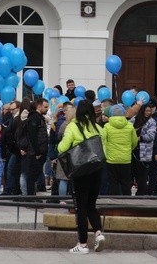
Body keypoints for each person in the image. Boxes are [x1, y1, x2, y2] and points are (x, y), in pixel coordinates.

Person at [57, 100, 106, 254]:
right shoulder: (98, 128)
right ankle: (98, 233)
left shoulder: (73, 126)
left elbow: (62, 147)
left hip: (81, 171)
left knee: (81, 207)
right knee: (91, 204)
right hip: (97, 170)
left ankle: (83, 244)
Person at [101, 104, 137, 196]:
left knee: (113, 183)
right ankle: (127, 203)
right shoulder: (130, 126)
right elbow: (134, 142)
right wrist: (129, 150)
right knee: (125, 182)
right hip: (126, 159)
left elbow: (103, 142)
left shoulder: (107, 127)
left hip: (111, 159)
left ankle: (114, 204)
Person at [16, 99, 49, 196]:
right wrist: (37, 152)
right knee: (31, 176)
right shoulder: (35, 118)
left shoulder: (38, 117)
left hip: (37, 151)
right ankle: (30, 197)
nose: (47, 109)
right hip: (35, 153)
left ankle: (31, 196)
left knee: (33, 175)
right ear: (39, 107)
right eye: (45, 107)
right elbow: (33, 136)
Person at [133, 102, 157, 195]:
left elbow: (151, 136)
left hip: (145, 150)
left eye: (149, 111)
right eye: (146, 110)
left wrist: (140, 138)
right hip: (135, 150)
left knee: (143, 173)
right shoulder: (135, 119)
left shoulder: (151, 122)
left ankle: (142, 191)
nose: (148, 113)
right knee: (136, 172)